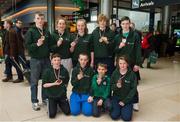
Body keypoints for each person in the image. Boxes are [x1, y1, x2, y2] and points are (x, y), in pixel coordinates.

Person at [25, 12, 51, 111]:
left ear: (44, 20)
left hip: (46, 59)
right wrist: (37, 44)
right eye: (38, 18)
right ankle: (34, 101)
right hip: (35, 60)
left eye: (42, 18)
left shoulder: (46, 31)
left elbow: (49, 46)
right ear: (35, 20)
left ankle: (44, 98)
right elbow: (27, 47)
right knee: (34, 82)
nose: (40, 20)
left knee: (46, 81)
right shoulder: (31, 31)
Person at [114, 16, 141, 111]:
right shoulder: (117, 36)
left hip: (132, 63)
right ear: (120, 25)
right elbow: (115, 50)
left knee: (133, 84)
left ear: (130, 24)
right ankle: (122, 98)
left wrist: (138, 63)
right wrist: (119, 47)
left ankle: (135, 102)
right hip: (121, 64)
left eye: (127, 23)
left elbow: (138, 50)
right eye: (123, 24)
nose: (125, 26)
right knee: (121, 82)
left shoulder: (135, 35)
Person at [42, 53, 70, 118]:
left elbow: (66, 82)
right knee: (52, 115)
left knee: (68, 112)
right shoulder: (47, 71)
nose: (57, 62)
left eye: (58, 60)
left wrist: (63, 90)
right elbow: (44, 85)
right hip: (51, 95)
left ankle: (60, 103)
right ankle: (52, 103)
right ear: (51, 61)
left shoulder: (64, 70)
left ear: (60, 61)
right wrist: (54, 83)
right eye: (55, 60)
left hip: (61, 95)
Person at [110, 56, 137, 121]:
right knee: (114, 116)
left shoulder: (132, 75)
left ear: (127, 64)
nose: (122, 65)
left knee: (126, 118)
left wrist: (125, 101)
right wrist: (116, 86)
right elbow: (111, 86)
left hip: (127, 99)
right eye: (120, 63)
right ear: (118, 64)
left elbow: (133, 90)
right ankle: (119, 109)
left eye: (124, 63)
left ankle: (127, 108)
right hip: (116, 98)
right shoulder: (115, 73)